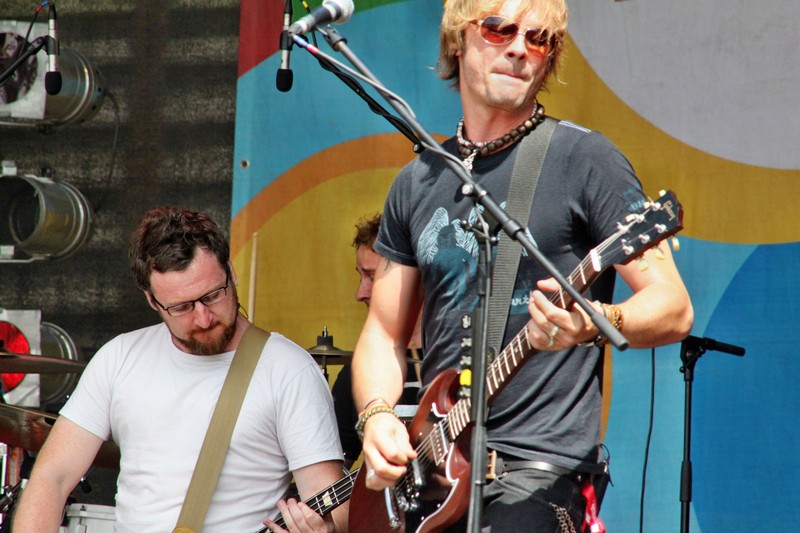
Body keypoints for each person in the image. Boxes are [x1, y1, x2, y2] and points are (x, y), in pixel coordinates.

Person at [350, 0, 694, 531]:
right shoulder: (418, 180)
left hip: (538, 477)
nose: (518, 48)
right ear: (457, 40)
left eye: (538, 38)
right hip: (434, 476)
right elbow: (383, 332)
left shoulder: (585, 160)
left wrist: (593, 322)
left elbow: (673, 307)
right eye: (499, 29)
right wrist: (376, 415)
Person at [13, 207, 348, 533]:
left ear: (230, 272)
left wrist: (324, 529)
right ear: (152, 300)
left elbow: (336, 509)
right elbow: (51, 478)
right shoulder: (118, 358)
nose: (203, 318)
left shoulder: (289, 371)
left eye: (213, 295)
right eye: (182, 307)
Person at [331, 213, 422, 470]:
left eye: (372, 276)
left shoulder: (455, 360)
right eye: (360, 277)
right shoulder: (356, 375)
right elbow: (333, 477)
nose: (360, 293)